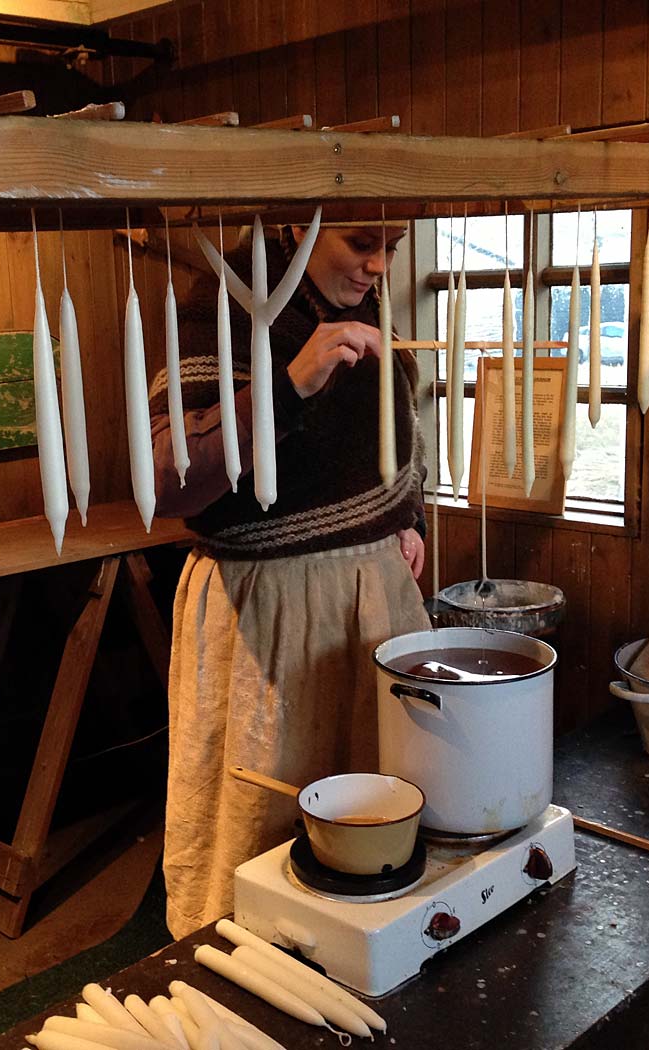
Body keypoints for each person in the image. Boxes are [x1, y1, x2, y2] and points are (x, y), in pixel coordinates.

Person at [148, 219, 431, 937]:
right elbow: (166, 483)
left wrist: (407, 518)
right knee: (264, 822)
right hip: (268, 613)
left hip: (372, 603)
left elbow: (388, 432)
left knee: (373, 818)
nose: (377, 264)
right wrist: (290, 382)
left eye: (392, 247)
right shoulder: (220, 304)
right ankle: (240, 977)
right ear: (297, 226)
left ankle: (367, 961)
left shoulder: (361, 303)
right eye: (362, 242)